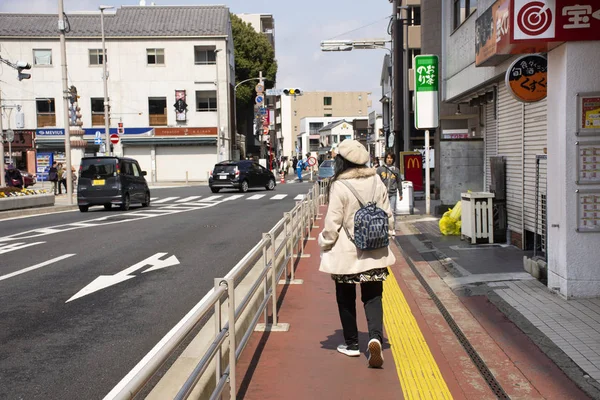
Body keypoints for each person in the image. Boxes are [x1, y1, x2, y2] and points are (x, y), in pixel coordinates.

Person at [318, 139, 396, 368]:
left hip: (347, 253)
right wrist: (389, 233)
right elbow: (387, 212)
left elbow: (333, 222)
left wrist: (325, 242)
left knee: (345, 296)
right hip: (375, 249)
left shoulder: (339, 185)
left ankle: (352, 344)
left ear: (342, 161)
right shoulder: (376, 180)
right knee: (373, 296)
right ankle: (374, 337)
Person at [376, 152, 402, 222]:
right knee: (383, 211)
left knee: (392, 211)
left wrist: (400, 193)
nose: (389, 159)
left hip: (393, 193)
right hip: (383, 194)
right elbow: (376, 181)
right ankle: (384, 227)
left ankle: (392, 227)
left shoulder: (396, 170)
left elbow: (399, 181)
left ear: (393, 159)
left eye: (391, 158)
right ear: (385, 159)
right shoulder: (380, 169)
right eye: (388, 158)